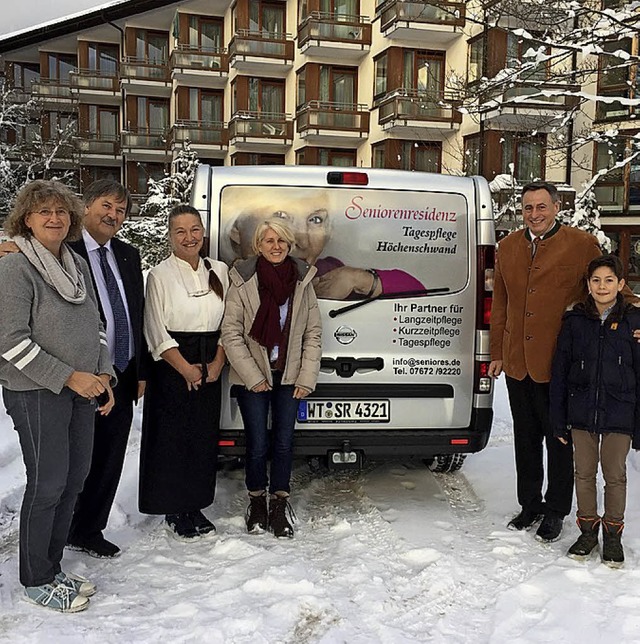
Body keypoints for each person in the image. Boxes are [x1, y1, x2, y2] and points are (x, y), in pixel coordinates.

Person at [0, 180, 148, 559]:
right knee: (53, 479)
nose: (112, 214)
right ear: (85, 208)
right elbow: (9, 331)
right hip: (47, 387)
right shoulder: (38, 254)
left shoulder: (118, 257)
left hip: (109, 377)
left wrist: (124, 371)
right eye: (105, 205)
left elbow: (123, 317)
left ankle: (85, 531)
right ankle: (43, 563)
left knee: (96, 465)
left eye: (120, 209)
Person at [488, 181, 602, 543]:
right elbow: (501, 305)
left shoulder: (581, 244)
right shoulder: (506, 248)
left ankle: (555, 510)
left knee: (558, 440)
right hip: (518, 361)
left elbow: (605, 285)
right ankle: (530, 504)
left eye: (541, 207)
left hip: (559, 363)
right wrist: (497, 353)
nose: (534, 214)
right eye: (527, 208)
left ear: (556, 208)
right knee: (525, 438)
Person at [221, 219, 322, 538]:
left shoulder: (303, 280)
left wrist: (306, 376)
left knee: (282, 443)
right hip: (253, 379)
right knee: (257, 443)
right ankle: (256, 503)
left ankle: (279, 503)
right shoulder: (242, 279)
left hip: (290, 377)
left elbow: (313, 333)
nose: (275, 246)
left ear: (290, 244)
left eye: (281, 240)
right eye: (268, 240)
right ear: (258, 246)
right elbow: (231, 333)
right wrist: (252, 376)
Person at [140, 205, 228, 540]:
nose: (188, 237)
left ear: (203, 232)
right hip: (174, 364)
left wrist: (218, 363)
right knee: (173, 439)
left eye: (194, 230)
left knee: (202, 438)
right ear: (170, 236)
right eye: (180, 231)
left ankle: (195, 504)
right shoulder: (159, 275)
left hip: (211, 360)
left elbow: (229, 323)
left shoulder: (219, 269)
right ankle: (174, 508)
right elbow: (155, 331)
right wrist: (186, 370)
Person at [550, 255, 640, 567]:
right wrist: (557, 418)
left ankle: (612, 534)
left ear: (621, 284)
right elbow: (560, 371)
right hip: (581, 410)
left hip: (620, 411)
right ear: (588, 285)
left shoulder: (634, 321)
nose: (602, 286)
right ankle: (588, 530)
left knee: (615, 475)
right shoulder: (575, 321)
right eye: (596, 280)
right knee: (583, 472)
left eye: (609, 280)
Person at [222, 190, 424, 300]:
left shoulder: (327, 272)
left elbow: (418, 292)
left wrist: (359, 279)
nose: (301, 241)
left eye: (316, 220)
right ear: (236, 229)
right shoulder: (221, 277)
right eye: (280, 216)